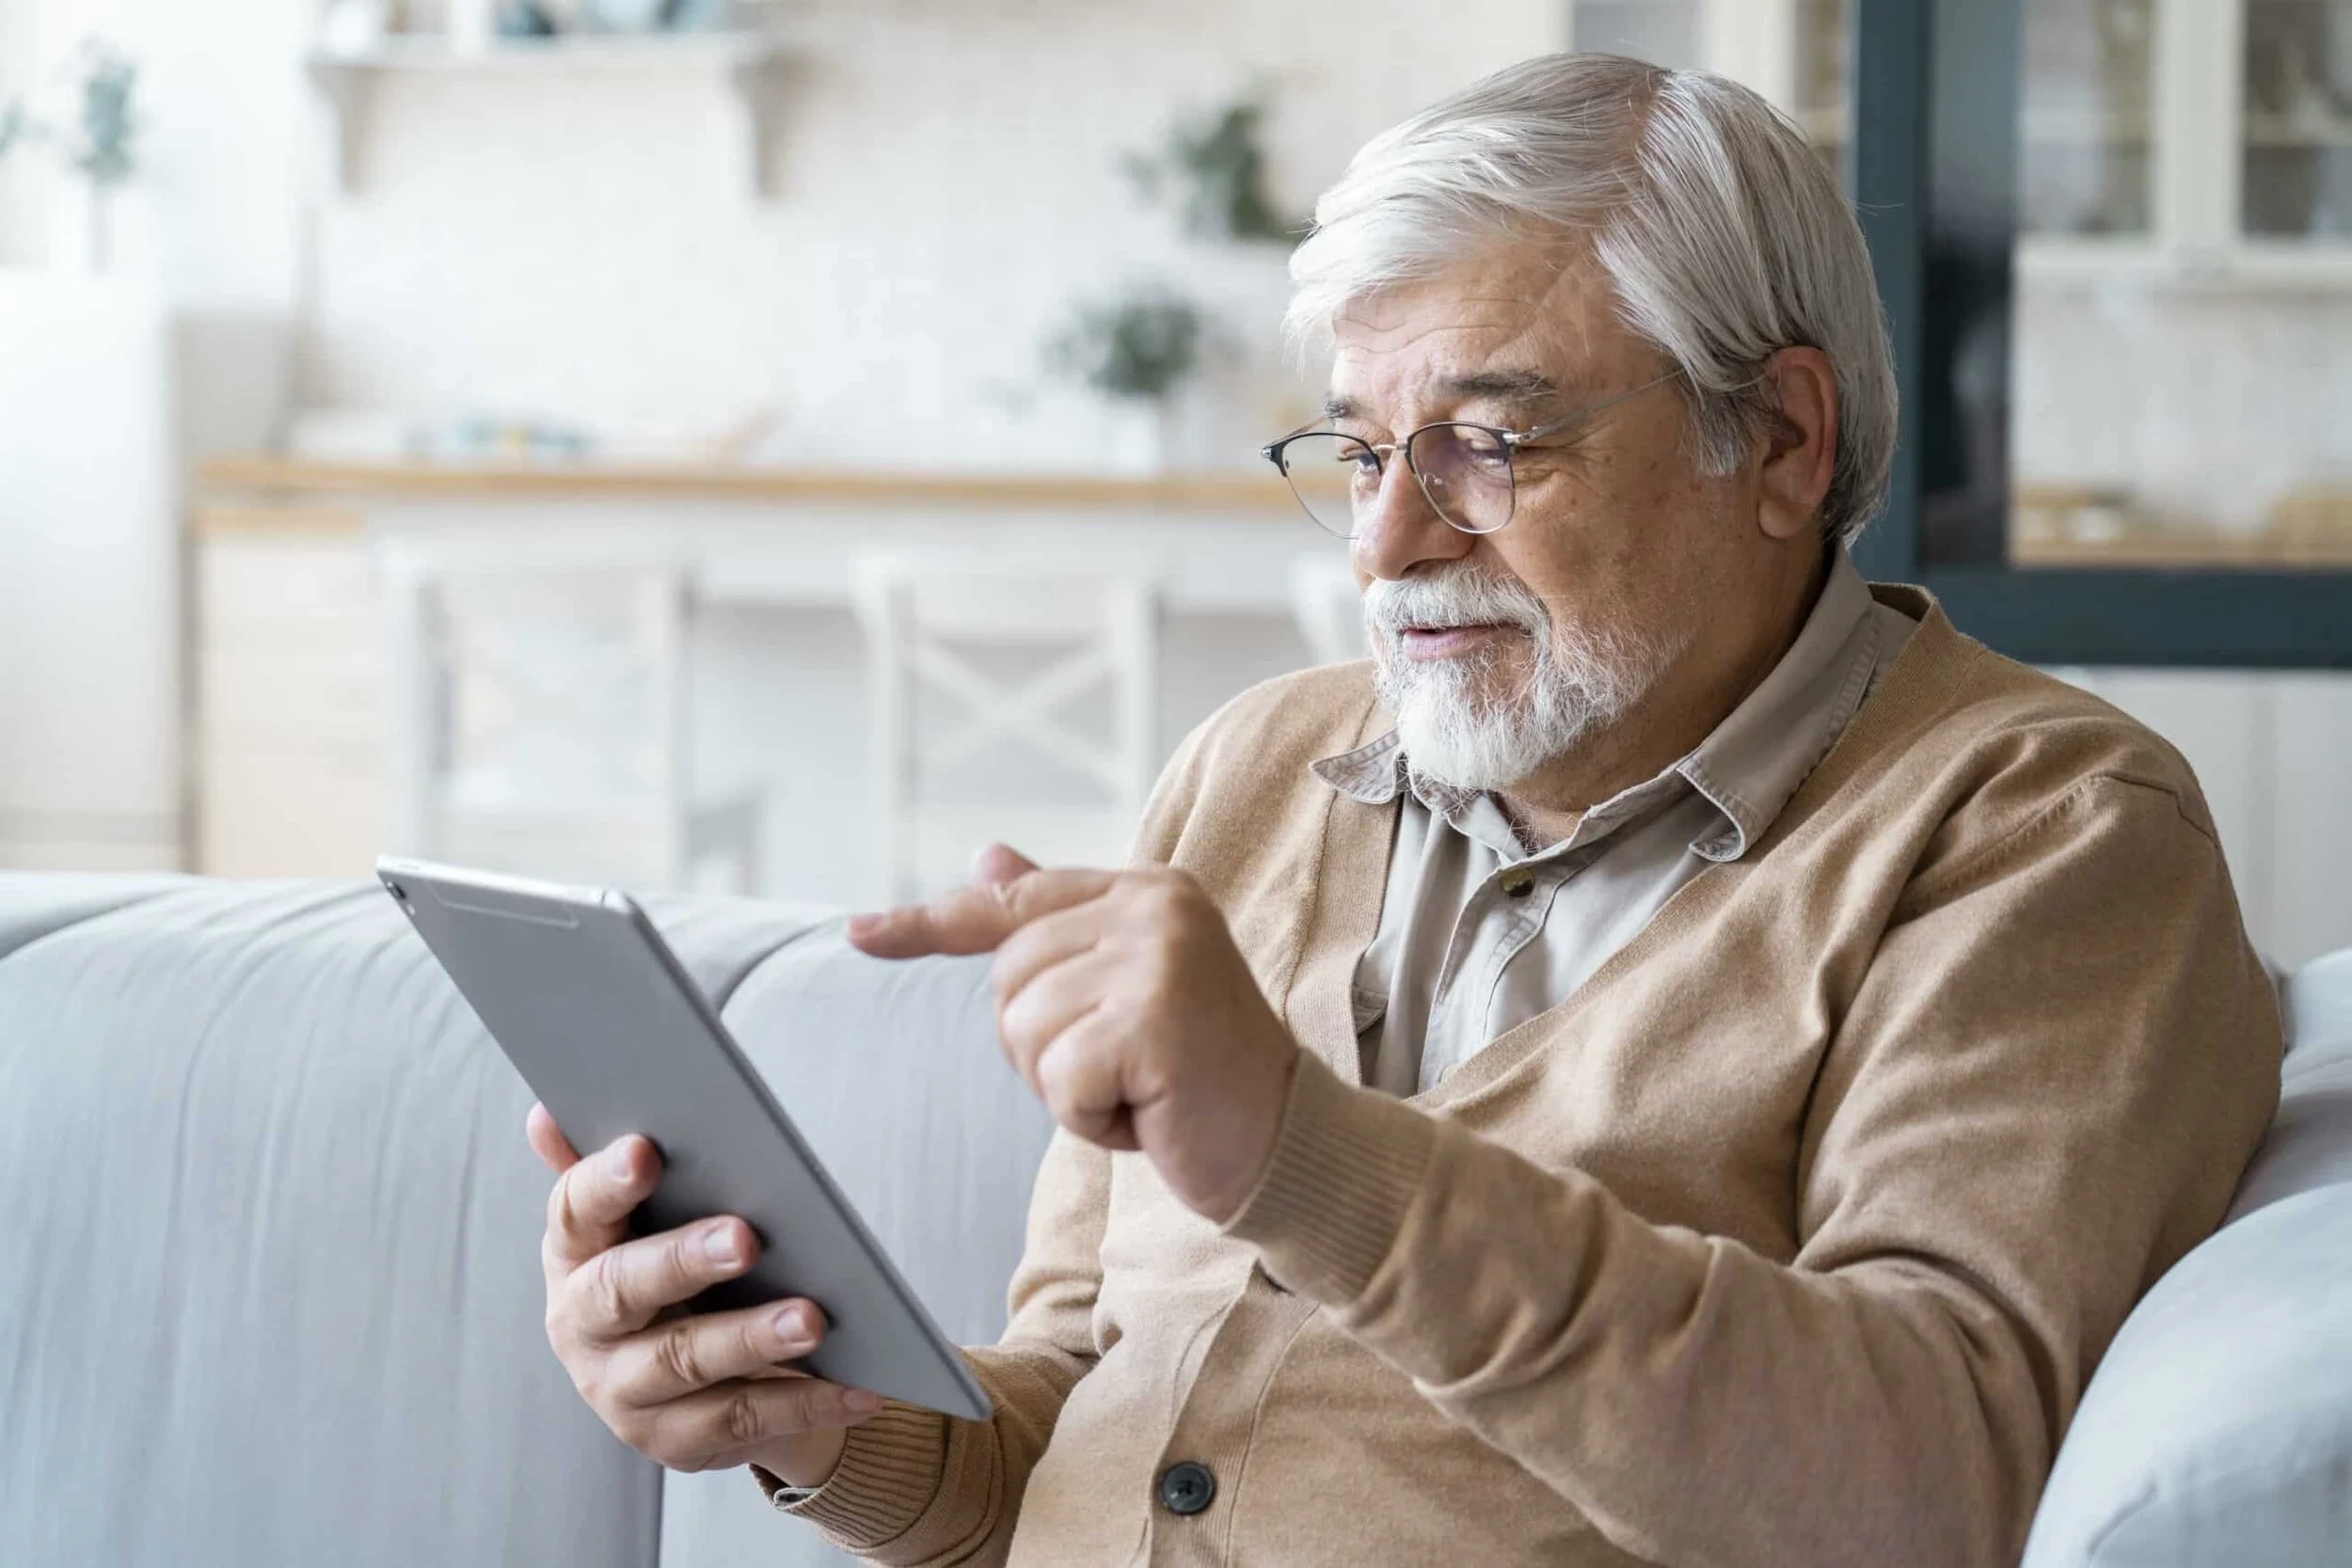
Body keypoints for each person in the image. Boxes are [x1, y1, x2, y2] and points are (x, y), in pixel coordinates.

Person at [524, 53, 2280, 1568]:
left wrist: (1297, 1144)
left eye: (1490, 444)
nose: (1387, 544)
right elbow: (1061, 1442)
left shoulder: (2042, 828)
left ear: (1785, 439)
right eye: (1364, 454)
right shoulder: (1251, 771)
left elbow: (1935, 1487)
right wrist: (815, 1416)